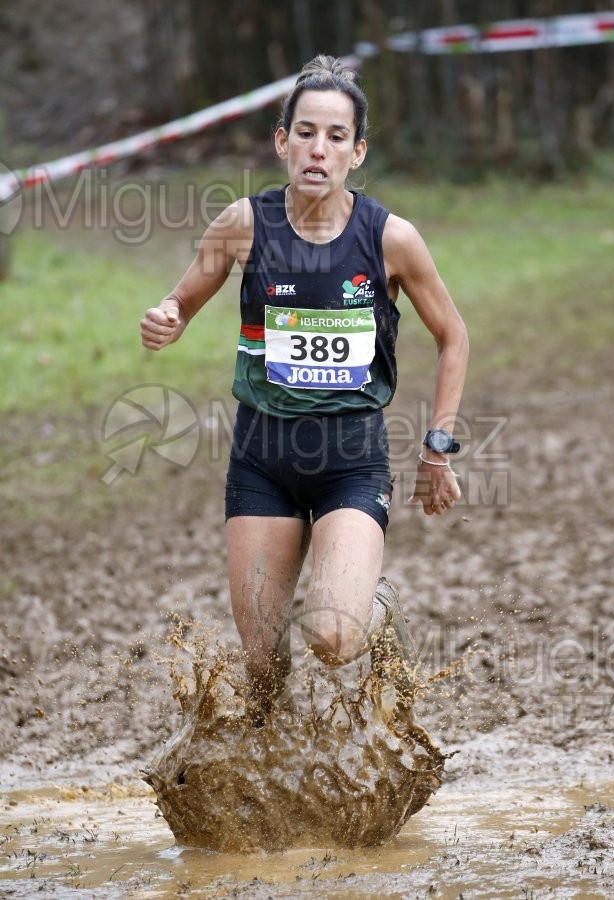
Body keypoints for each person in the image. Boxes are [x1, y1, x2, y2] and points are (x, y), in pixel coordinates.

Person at [140, 55, 469, 723]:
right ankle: (282, 793)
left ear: (358, 151)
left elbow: (453, 336)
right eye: (307, 133)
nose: (319, 149)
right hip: (261, 459)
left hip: (349, 461)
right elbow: (179, 302)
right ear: (281, 141)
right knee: (262, 667)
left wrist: (437, 447)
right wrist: (165, 318)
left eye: (337, 136)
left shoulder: (391, 239)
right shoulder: (244, 224)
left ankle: (378, 609)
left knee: (333, 635)